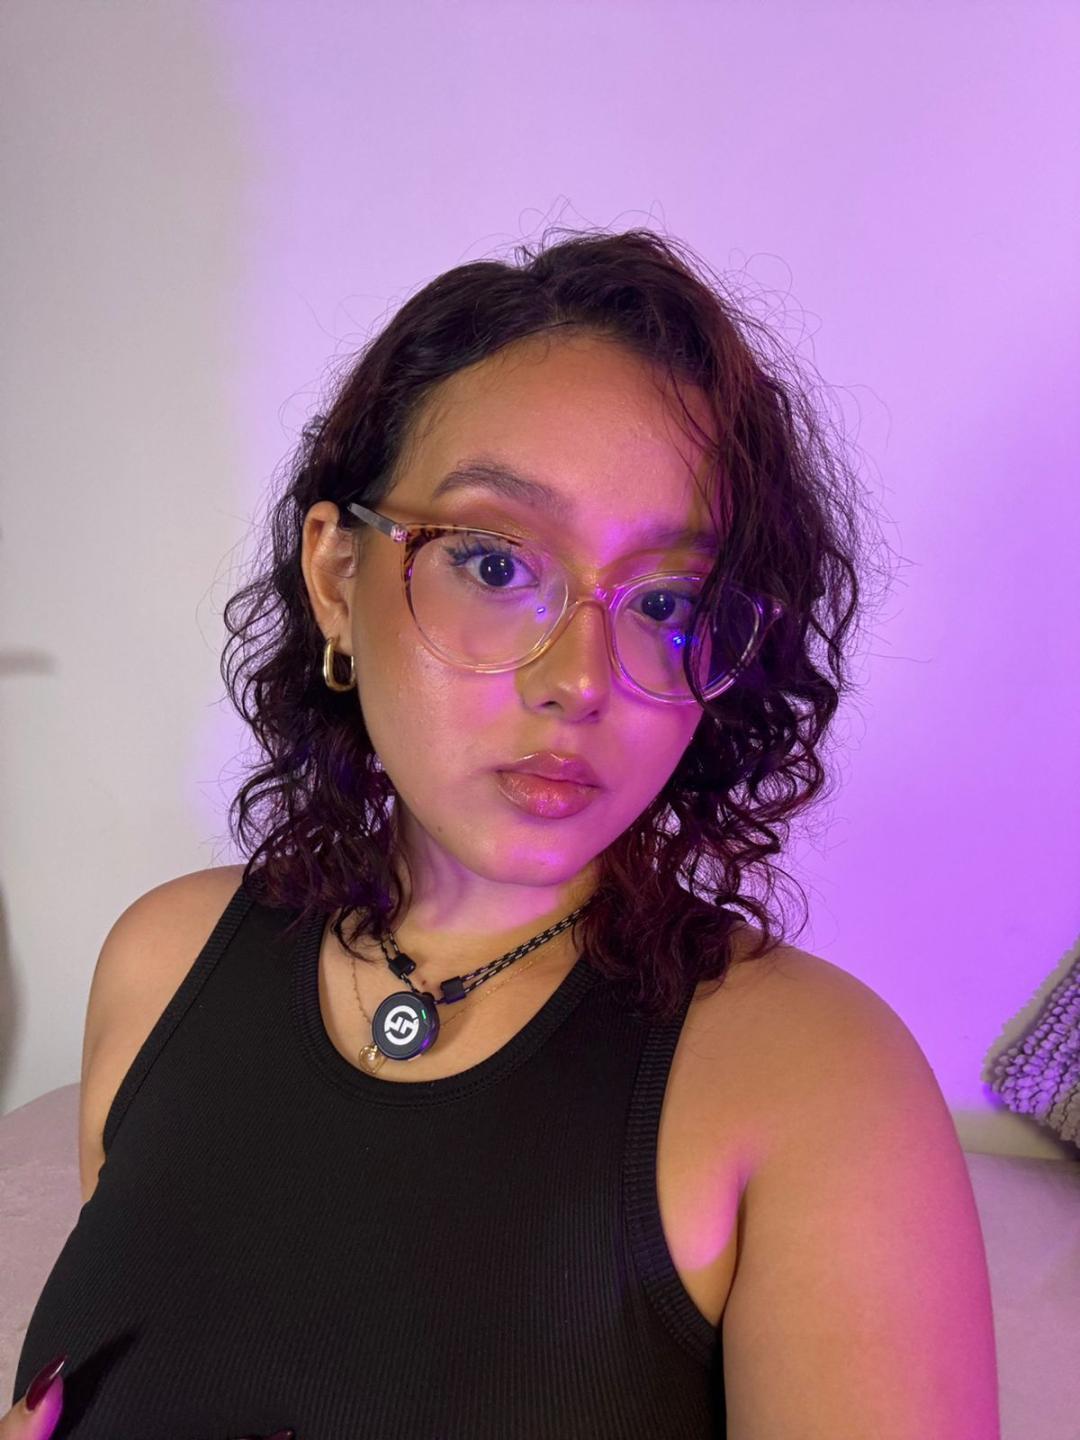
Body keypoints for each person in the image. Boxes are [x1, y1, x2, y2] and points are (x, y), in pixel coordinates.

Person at [6, 228, 1000, 1438]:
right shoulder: (163, 961)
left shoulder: (820, 1082)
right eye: (491, 563)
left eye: (667, 601)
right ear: (335, 574)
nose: (579, 679)